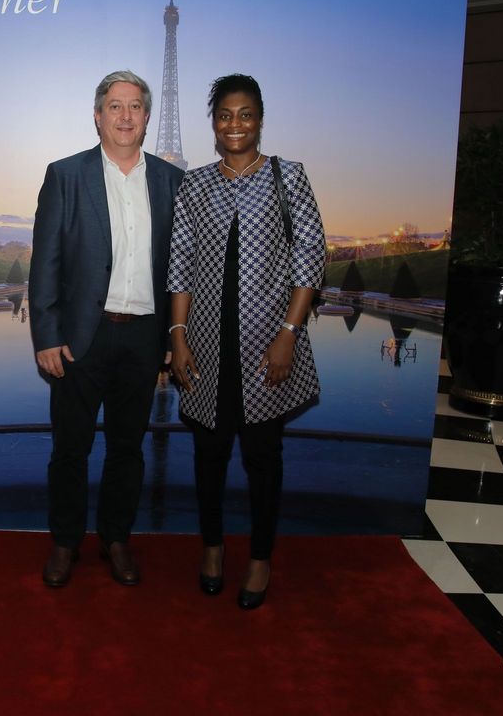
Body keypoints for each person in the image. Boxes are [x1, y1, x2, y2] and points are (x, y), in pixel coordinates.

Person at [168, 74, 325, 609]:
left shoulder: (288, 177)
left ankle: (260, 557)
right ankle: (212, 548)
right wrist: (178, 337)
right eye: (224, 115)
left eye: (245, 114)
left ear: (260, 120)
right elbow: (180, 265)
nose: (234, 124)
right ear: (213, 123)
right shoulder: (195, 185)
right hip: (207, 349)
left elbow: (310, 260)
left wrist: (288, 335)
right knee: (208, 457)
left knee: (263, 459)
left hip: (267, 346)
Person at [29, 70, 184, 588]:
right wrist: (47, 335)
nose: (125, 115)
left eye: (135, 106)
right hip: (81, 338)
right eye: (114, 106)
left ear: (147, 117)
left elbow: (180, 267)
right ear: (97, 116)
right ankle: (65, 542)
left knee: (127, 449)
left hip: (143, 337)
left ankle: (116, 538)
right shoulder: (65, 175)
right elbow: (45, 262)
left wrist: (175, 335)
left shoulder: (171, 181)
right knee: (70, 450)